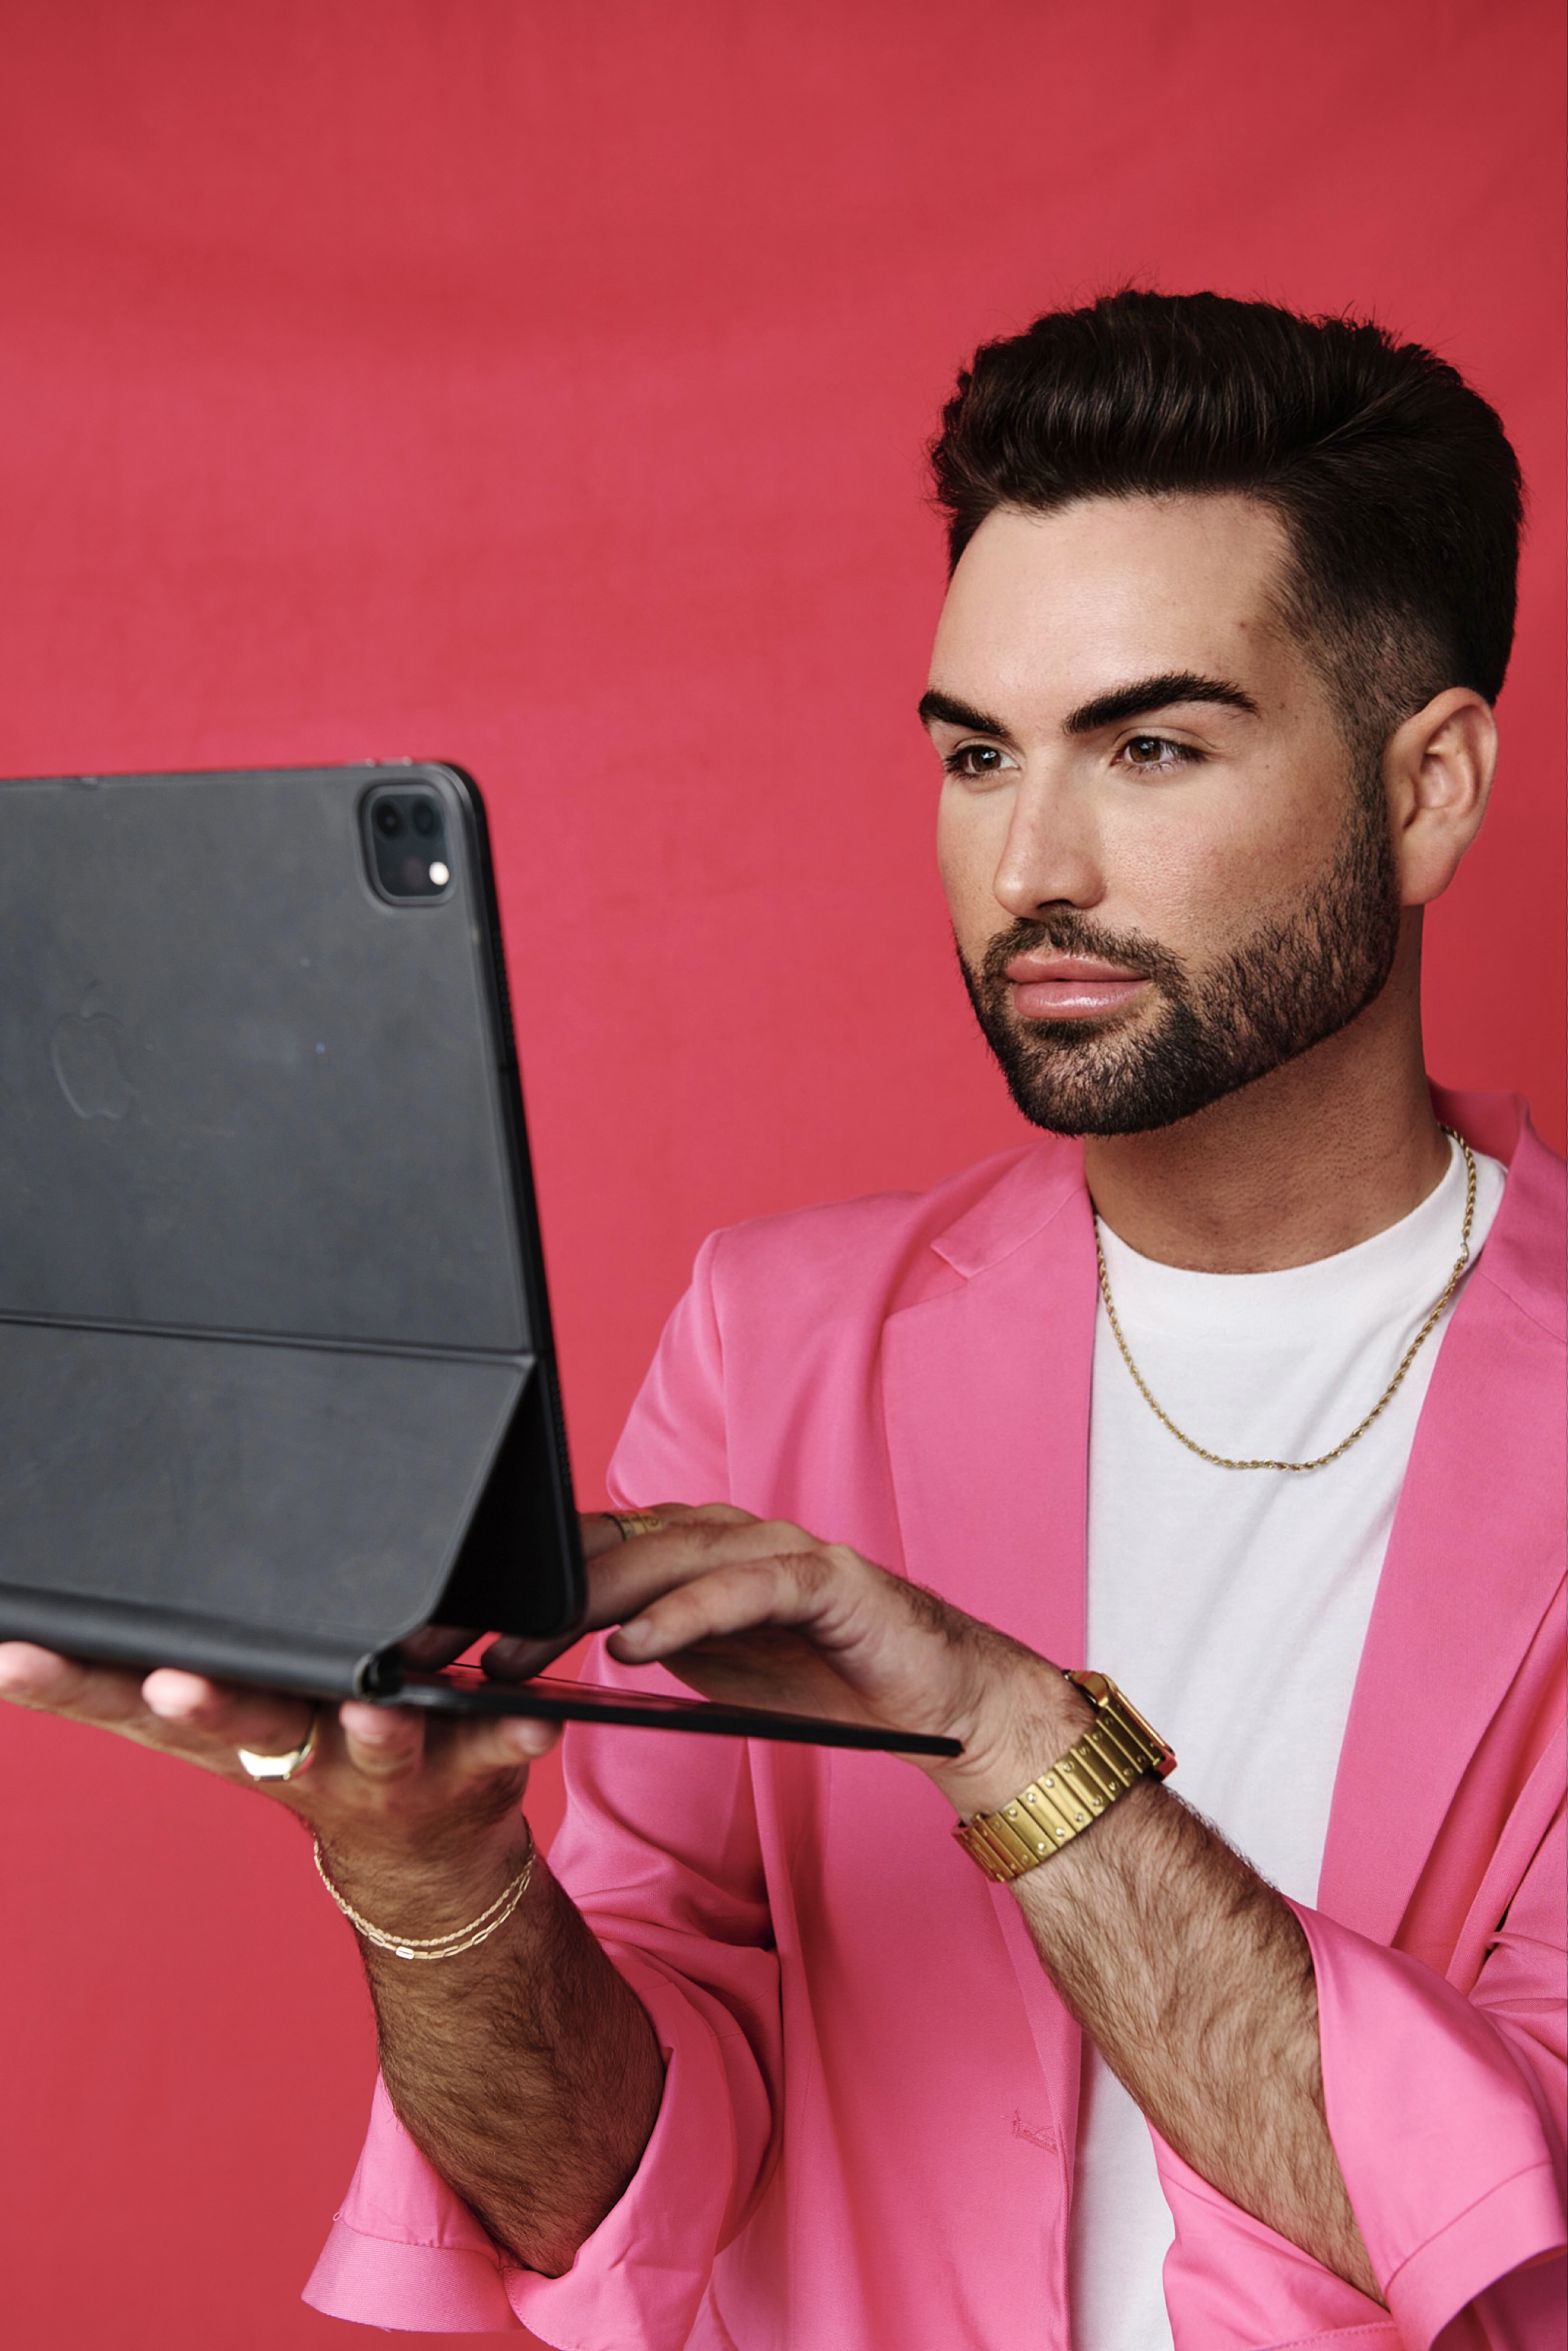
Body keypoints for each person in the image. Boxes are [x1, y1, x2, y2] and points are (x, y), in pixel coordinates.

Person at [1, 290, 1562, 2351]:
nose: (1030, 866)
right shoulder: (782, 1336)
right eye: (977, 755)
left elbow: (1497, 2224)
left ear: (1429, 787)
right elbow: (611, 2193)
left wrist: (1006, 1730)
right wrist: (431, 1877)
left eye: (1151, 746)